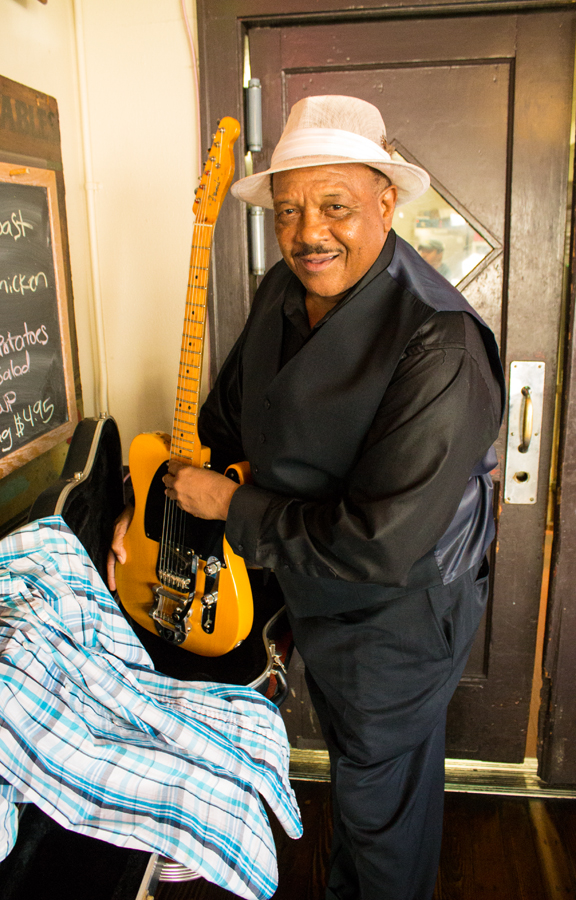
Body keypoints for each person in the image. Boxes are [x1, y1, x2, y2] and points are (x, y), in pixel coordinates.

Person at [110, 95, 504, 900]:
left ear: (386, 201)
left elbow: (379, 543)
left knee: (380, 805)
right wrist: (142, 506)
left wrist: (229, 507)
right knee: (366, 783)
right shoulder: (279, 293)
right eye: (288, 211)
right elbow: (223, 420)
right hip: (301, 591)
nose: (308, 232)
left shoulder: (441, 341)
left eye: (335, 207)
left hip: (394, 618)